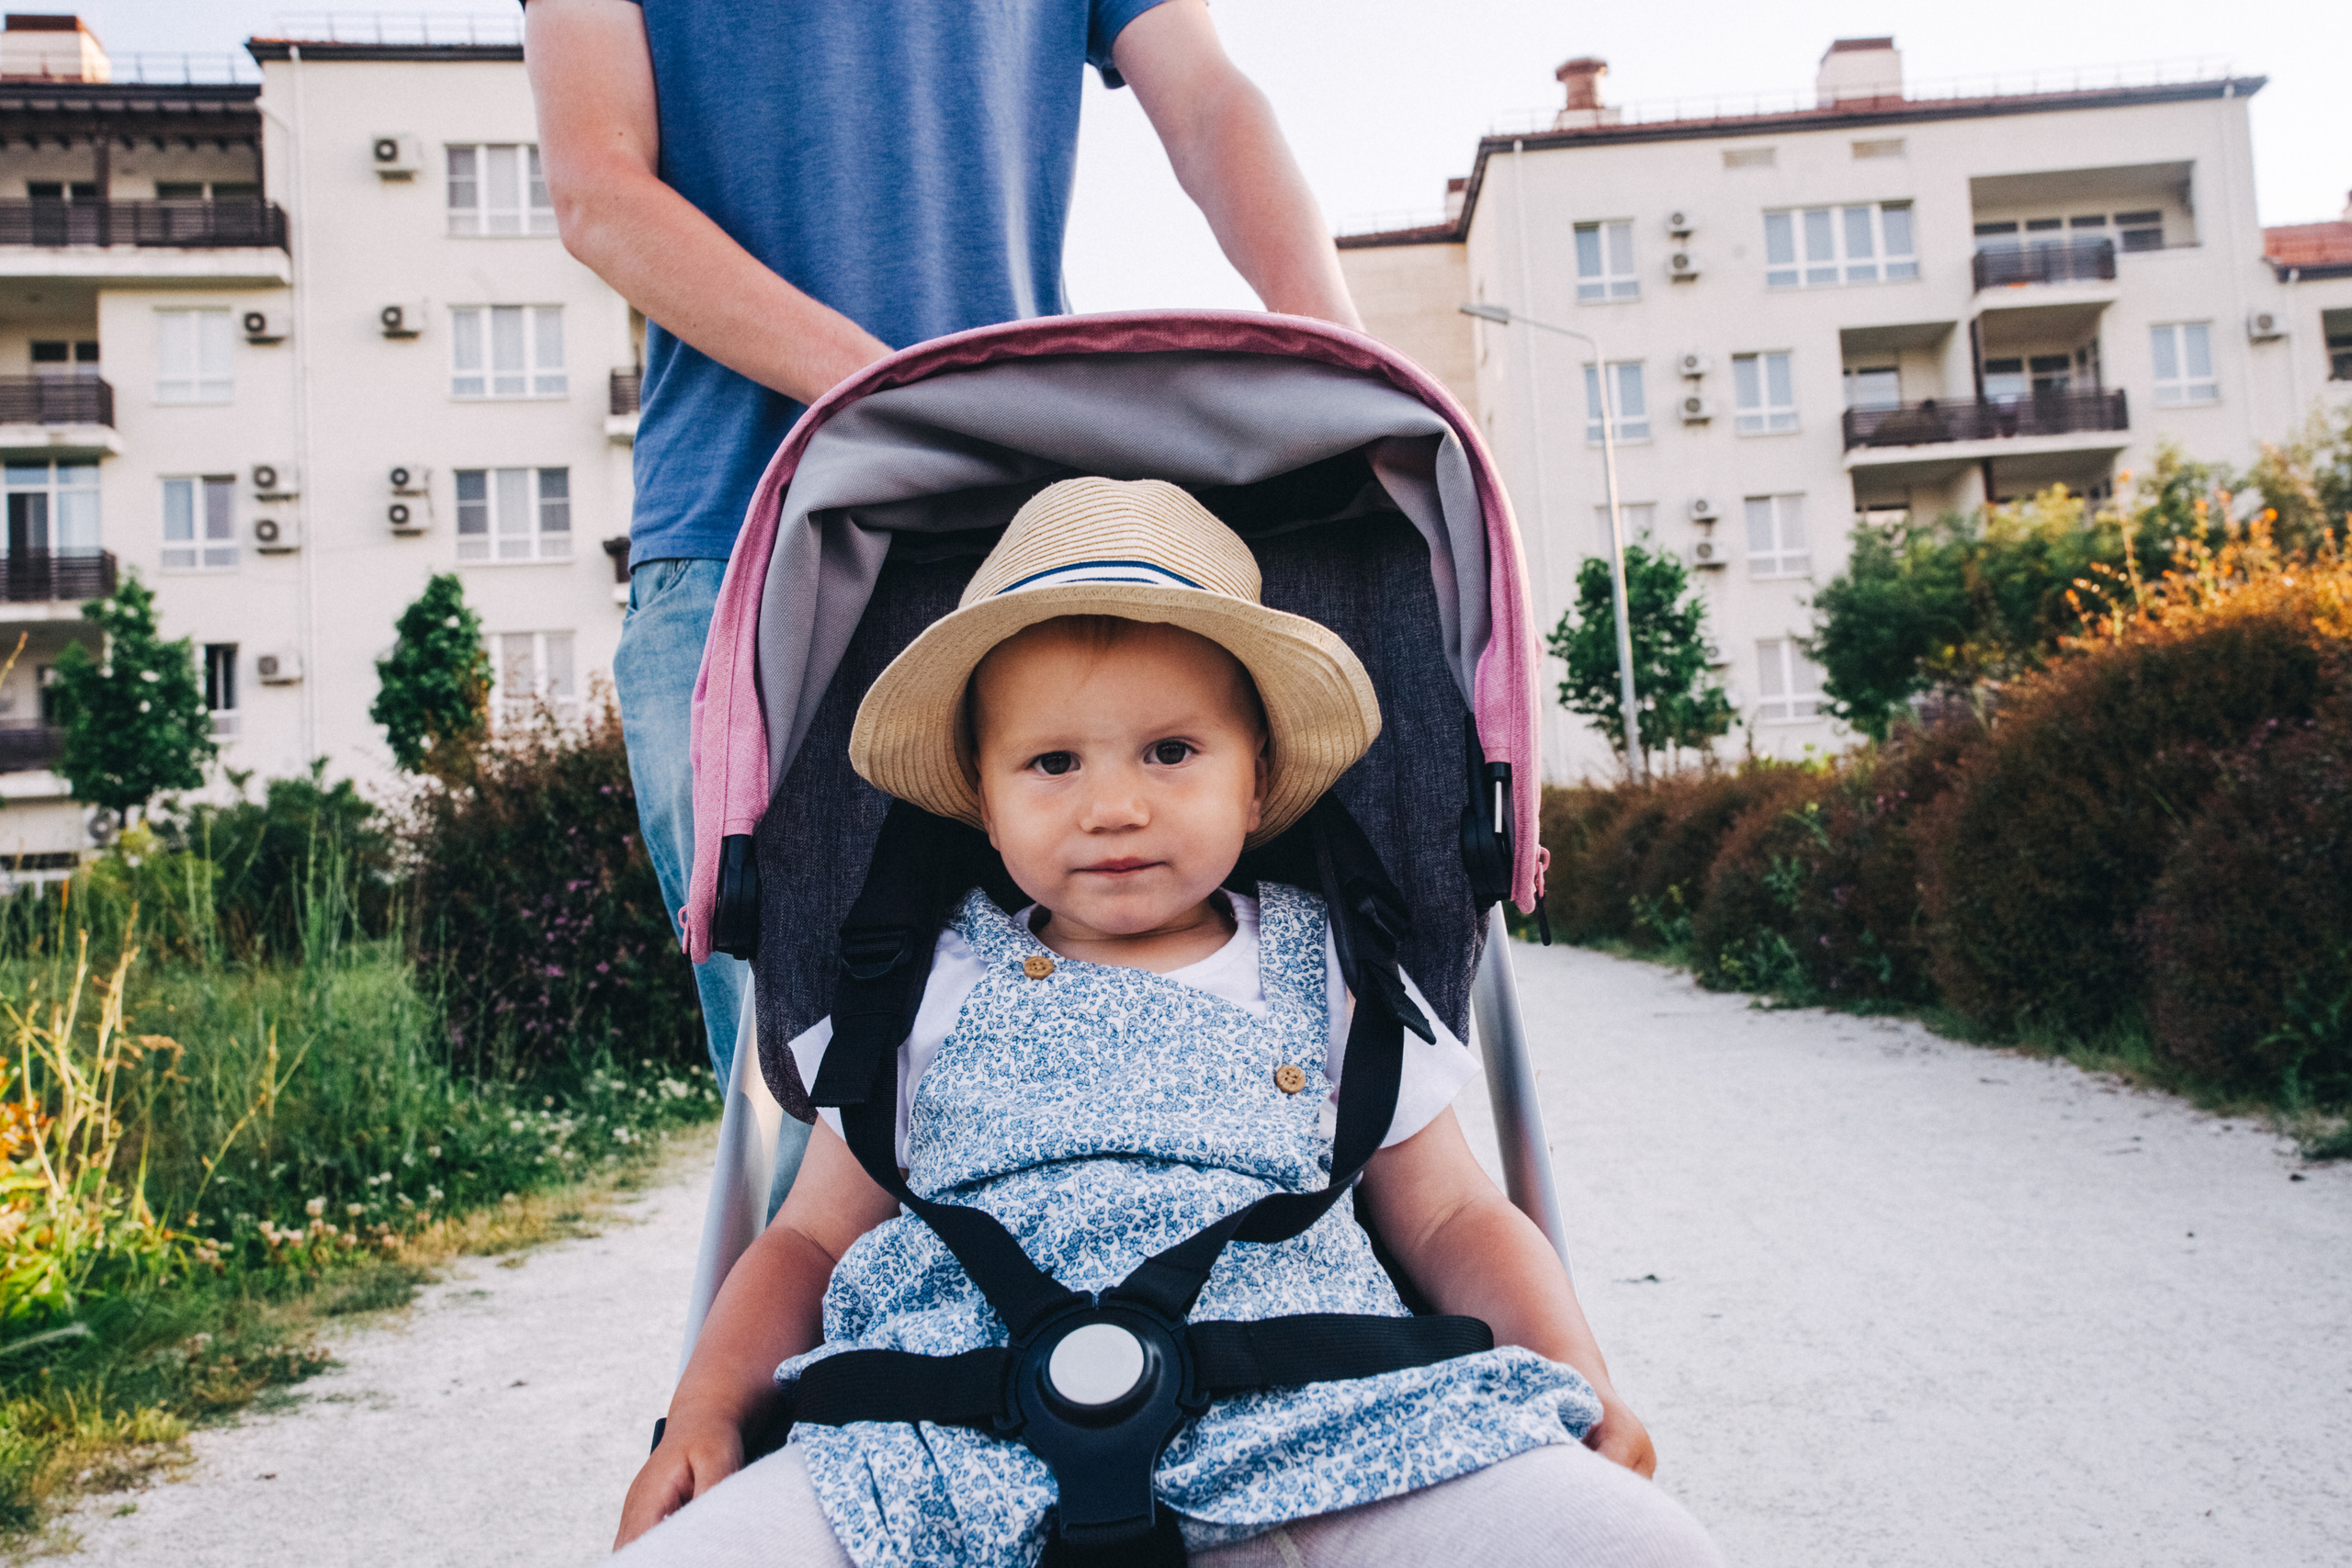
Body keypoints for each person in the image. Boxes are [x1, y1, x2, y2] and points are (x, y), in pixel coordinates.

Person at [610, 479, 1721, 1566]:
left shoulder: (1335, 965)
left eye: (1171, 752)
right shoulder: (906, 984)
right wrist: (705, 1411)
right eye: (1052, 764)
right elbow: (806, 1240)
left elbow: (1446, 1221)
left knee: (1631, 1543)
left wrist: (1574, 1370)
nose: (1114, 807)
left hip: (1314, 1418)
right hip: (941, 1438)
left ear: (1258, 782)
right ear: (983, 807)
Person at [523, 0, 1364, 1095]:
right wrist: (910, 403)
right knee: (813, 1103)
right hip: (751, 531)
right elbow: (601, 192)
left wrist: (1350, 366)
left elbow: (1206, 103)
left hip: (1023, 543)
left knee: (1129, 1045)